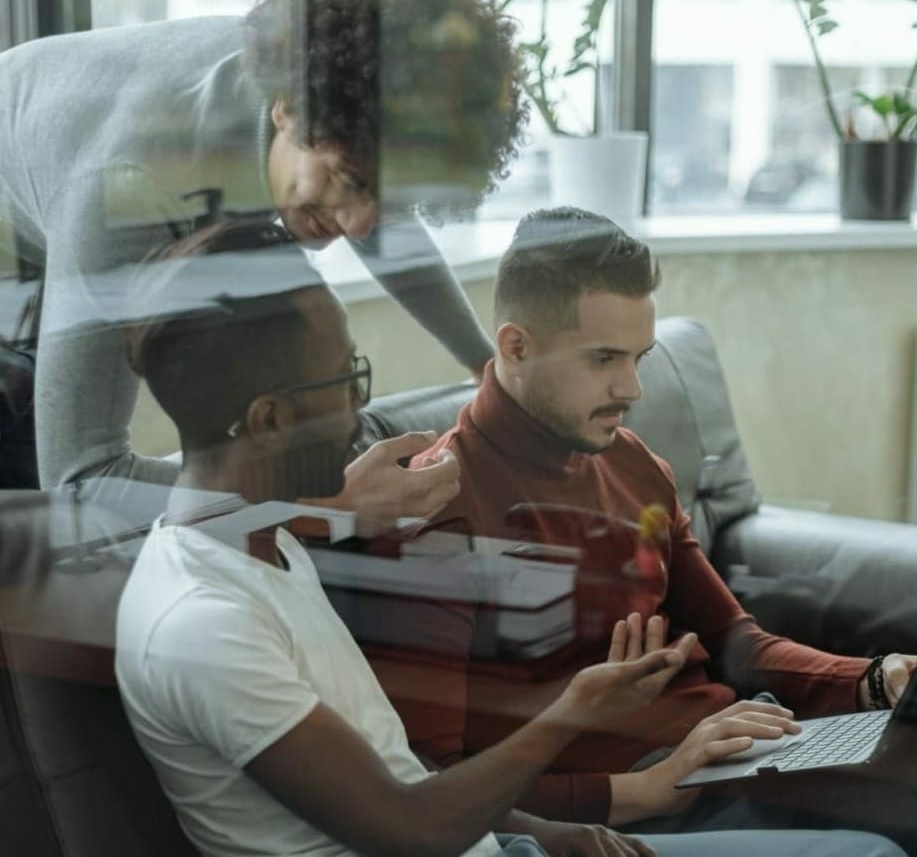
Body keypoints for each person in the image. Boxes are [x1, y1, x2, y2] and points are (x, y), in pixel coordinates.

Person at [114, 219, 901, 857]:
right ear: (271, 420)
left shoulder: (262, 540)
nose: (363, 411)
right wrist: (584, 735)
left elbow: (408, 781)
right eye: (346, 382)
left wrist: (869, 678)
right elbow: (409, 821)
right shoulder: (205, 625)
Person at [404, 206, 917, 836]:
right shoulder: (439, 512)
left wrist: (872, 679)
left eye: (639, 358)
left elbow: (738, 643)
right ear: (516, 346)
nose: (632, 389)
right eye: (603, 360)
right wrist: (642, 790)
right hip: (647, 802)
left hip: (741, 746)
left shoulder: (631, 463)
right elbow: (435, 788)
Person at [0, 0, 524, 516]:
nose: (359, 225)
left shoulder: (317, 80)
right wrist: (323, 502)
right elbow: (81, 481)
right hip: (33, 244)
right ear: (285, 110)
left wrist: (488, 369)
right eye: (347, 180)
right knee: (40, 532)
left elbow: (371, 196)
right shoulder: (127, 189)